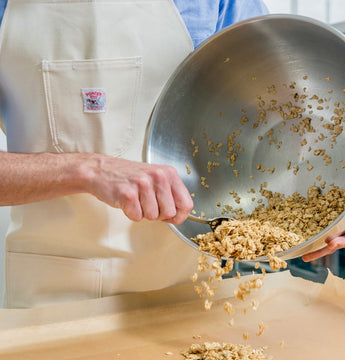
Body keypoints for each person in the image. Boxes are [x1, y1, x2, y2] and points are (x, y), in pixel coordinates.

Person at [0, 0, 270, 308]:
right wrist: (88, 170)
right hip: (53, 299)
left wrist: (332, 212)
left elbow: (272, 121)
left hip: (191, 292)